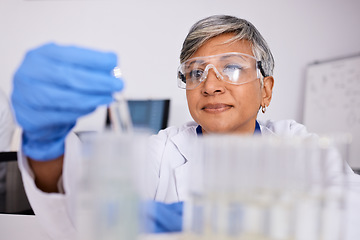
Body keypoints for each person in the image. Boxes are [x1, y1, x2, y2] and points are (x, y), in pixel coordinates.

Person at [11, 15, 360, 239]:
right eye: (196, 72)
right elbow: (83, 209)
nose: (210, 85)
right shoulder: (164, 151)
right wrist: (47, 146)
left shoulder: (300, 146)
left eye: (232, 68)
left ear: (265, 89)